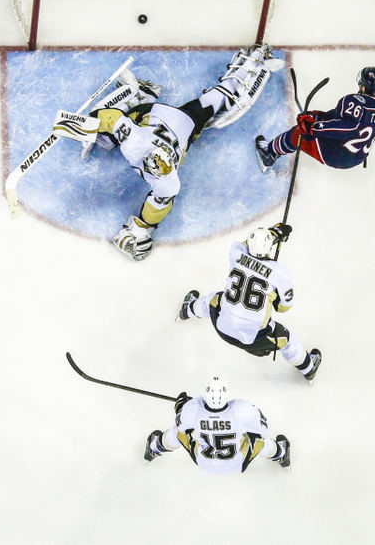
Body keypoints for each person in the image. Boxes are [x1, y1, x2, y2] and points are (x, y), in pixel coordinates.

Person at [84, 45, 284, 260]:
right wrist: (86, 124)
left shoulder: (162, 175)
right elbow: (112, 119)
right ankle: (140, 96)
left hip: (176, 122)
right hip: (169, 119)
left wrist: (85, 124)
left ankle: (141, 95)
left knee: (217, 99)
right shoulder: (145, 154)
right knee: (107, 139)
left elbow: (111, 118)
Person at [177, 223, 322, 382]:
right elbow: (283, 307)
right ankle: (309, 368)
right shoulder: (281, 273)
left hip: (222, 327)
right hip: (254, 340)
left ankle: (187, 310)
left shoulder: (236, 252)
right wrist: (273, 299)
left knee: (214, 299)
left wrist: (274, 233)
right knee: (287, 340)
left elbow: (247, 244)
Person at [144, 376, 290, 474]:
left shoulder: (192, 409)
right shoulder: (242, 409)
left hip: (203, 462)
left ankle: (154, 448)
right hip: (237, 464)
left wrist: (181, 406)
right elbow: (264, 429)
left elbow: (181, 423)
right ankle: (280, 455)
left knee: (178, 433)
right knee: (260, 440)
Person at [255, 66, 375, 171]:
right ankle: (312, 122)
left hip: (338, 155)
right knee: (317, 116)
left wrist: (313, 127)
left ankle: (269, 153)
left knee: (298, 133)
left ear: (364, 86)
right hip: (358, 155)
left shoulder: (353, 100)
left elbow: (348, 127)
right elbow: (349, 120)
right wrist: (316, 117)